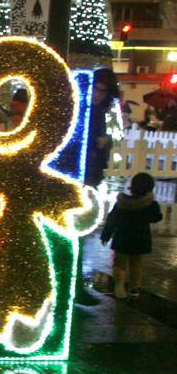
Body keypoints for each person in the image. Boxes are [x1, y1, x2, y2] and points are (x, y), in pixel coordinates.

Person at [79, 68, 122, 306]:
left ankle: (75, 286)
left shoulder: (99, 113)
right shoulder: (82, 111)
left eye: (103, 92)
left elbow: (102, 143)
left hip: (90, 176)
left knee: (81, 235)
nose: (98, 95)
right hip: (78, 177)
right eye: (96, 89)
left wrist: (105, 143)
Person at [100, 172, 163, 299]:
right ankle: (134, 289)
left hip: (122, 239)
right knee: (136, 266)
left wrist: (106, 235)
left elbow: (112, 219)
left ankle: (119, 285)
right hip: (140, 240)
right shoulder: (150, 204)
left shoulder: (122, 203)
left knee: (119, 264)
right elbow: (156, 218)